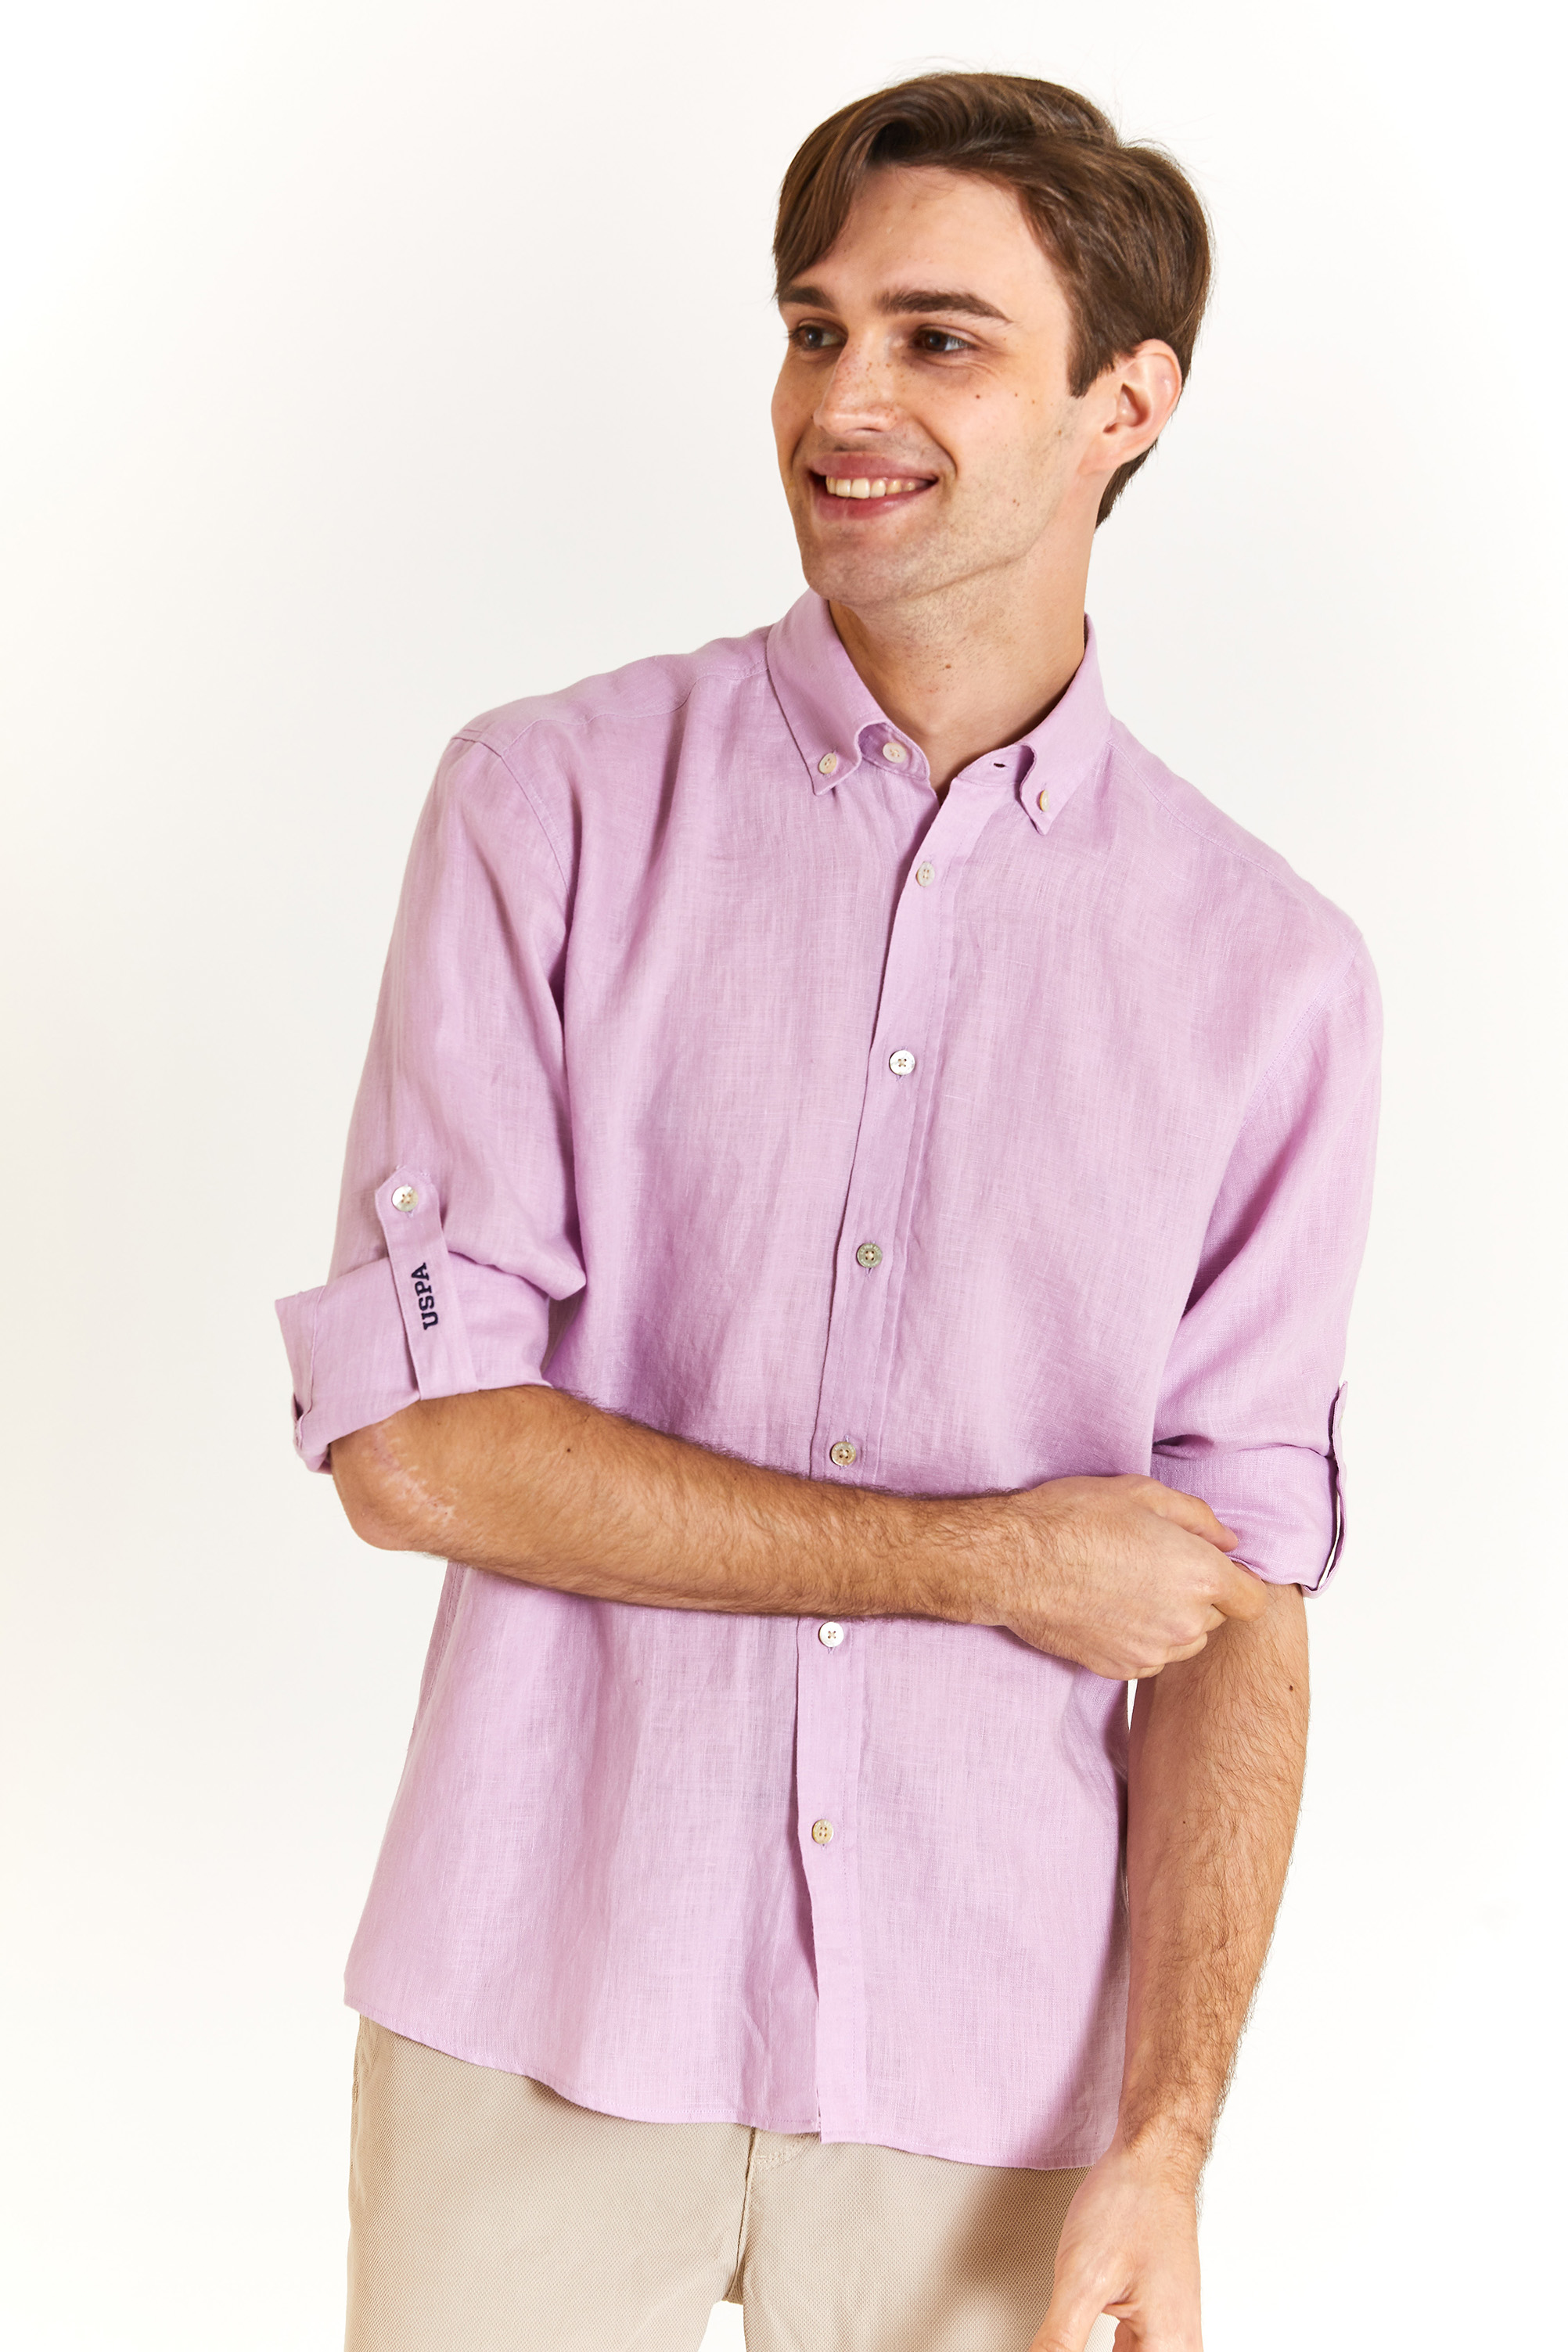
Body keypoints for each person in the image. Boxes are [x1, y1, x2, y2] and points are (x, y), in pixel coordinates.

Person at [277, 70, 1379, 2352]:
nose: (842, 400)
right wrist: (990, 1561)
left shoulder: (1268, 978)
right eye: (813, 329)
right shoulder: (549, 806)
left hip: (999, 2077)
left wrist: (1168, 2140)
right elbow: (421, 1451)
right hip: (535, 1997)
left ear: (1125, 403)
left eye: (937, 338)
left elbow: (1232, 1611)